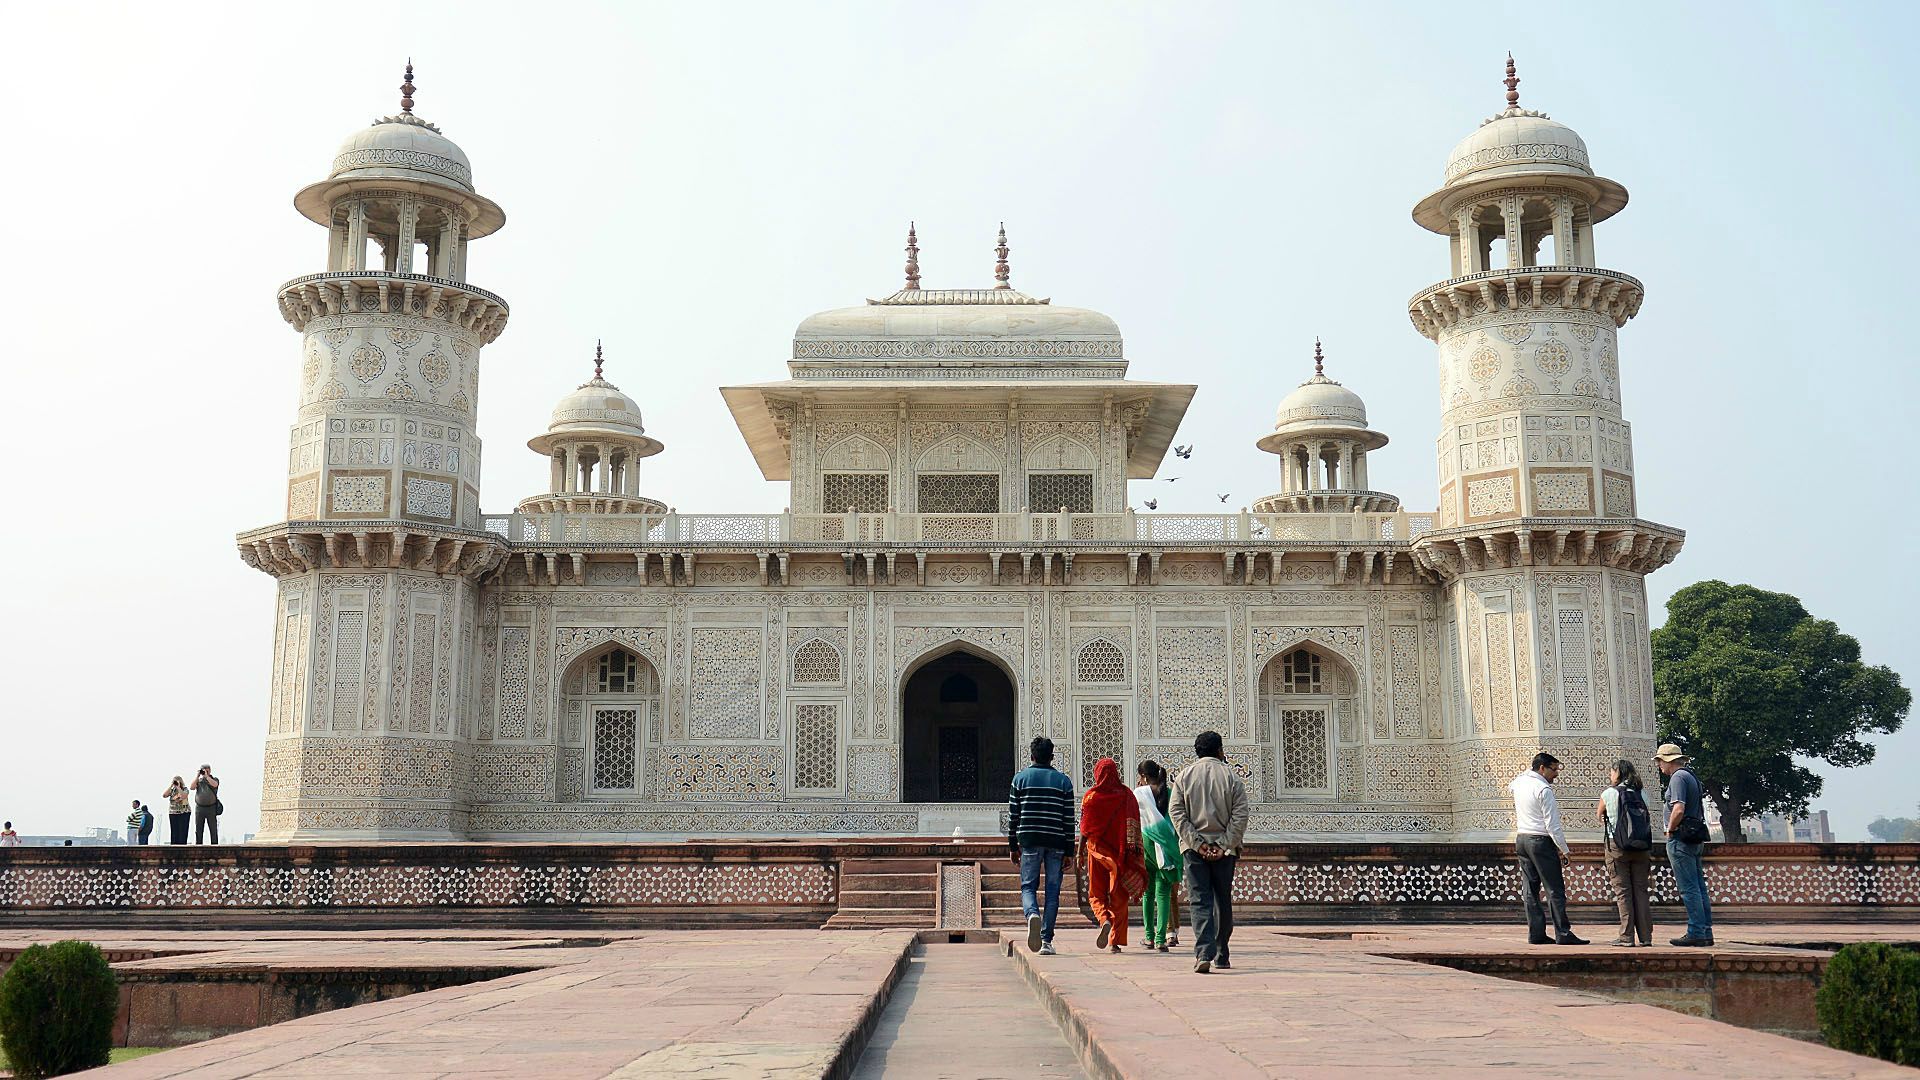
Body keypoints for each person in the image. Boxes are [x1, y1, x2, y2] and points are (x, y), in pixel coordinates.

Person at [1168, 731, 1249, 974]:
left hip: (1194, 851)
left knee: (1200, 900)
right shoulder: (1232, 778)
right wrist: (1224, 844)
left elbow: (1177, 814)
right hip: (1225, 851)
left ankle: (1203, 952)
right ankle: (1221, 952)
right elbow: (1240, 815)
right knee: (1222, 899)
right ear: (1220, 751)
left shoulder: (1184, 777)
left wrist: (1197, 843)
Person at [1508, 752, 1589, 945]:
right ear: (1542, 768)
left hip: (1522, 839)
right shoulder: (1543, 789)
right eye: (1554, 770)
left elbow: (1510, 787)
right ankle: (1563, 933)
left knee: (1530, 889)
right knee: (1554, 889)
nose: (1556, 775)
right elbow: (1552, 825)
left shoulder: (1519, 782)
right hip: (1540, 840)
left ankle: (1536, 933)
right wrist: (1564, 849)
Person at [1008, 737, 1076, 955]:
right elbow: (1068, 819)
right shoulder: (1063, 782)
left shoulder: (1020, 779)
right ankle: (1046, 940)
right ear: (1052, 757)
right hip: (1056, 841)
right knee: (1053, 892)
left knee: (1028, 886)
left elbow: (1013, 817)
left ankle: (1032, 915)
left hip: (1029, 840)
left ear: (1031, 756)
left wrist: (1012, 845)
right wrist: (1069, 851)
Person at [1079, 758, 1146, 954]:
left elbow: (1084, 829)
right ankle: (1115, 941)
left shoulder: (1091, 797)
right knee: (1119, 897)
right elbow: (1135, 823)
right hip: (1120, 854)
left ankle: (1103, 919)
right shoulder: (1127, 795)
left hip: (1096, 851)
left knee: (1096, 894)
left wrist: (1079, 853)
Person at [1655, 744, 1715, 947]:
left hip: (1681, 838)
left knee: (1689, 889)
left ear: (1669, 760)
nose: (1659, 766)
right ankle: (1705, 931)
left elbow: (1678, 809)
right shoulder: (1691, 776)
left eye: (1660, 761)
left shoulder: (1678, 777)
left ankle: (1696, 931)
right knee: (1698, 887)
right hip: (1694, 838)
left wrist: (1670, 830)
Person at [1595, 759, 1654, 947]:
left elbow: (1599, 816)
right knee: (1641, 892)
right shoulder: (1643, 793)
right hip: (1641, 847)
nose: (1609, 776)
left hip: (1617, 846)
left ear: (1618, 773)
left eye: (1612, 772)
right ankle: (1645, 937)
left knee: (1623, 893)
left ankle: (1626, 937)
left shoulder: (1609, 793)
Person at [1133, 761, 1182, 952]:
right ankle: (1162, 939)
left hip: (1146, 848)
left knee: (1148, 892)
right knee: (1163, 893)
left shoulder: (1139, 794)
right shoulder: (1169, 794)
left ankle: (1149, 937)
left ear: (1144, 777)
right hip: (1167, 848)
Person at [191, 765, 221, 845]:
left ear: (210, 770)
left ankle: (215, 846)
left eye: (207, 771)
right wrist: (197, 776)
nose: (205, 772)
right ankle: (198, 845)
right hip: (200, 808)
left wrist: (207, 776)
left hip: (211, 807)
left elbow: (215, 785)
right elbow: (192, 787)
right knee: (199, 829)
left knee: (213, 829)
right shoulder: (199, 781)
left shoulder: (214, 779)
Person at [163, 776, 191, 845]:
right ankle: (174, 846)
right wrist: (171, 785)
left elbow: (184, 796)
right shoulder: (172, 790)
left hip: (184, 812)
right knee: (174, 831)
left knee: (183, 831)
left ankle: (182, 846)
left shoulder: (185, 789)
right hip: (173, 812)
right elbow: (164, 795)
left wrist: (178, 787)